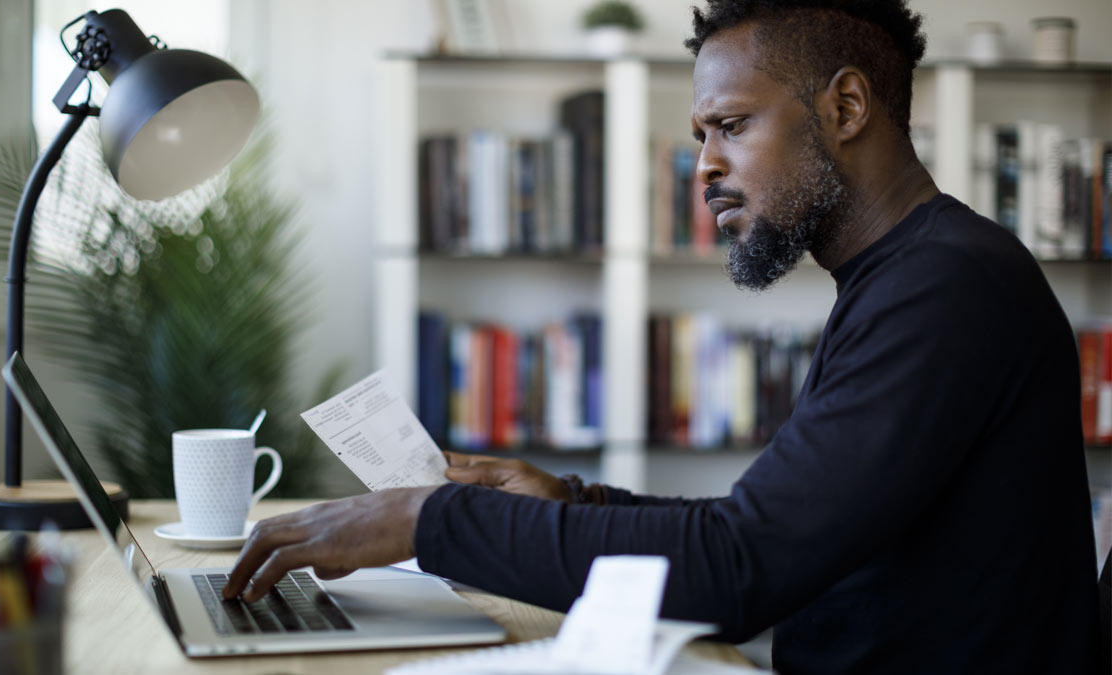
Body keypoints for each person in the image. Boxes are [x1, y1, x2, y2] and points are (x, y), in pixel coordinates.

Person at [223, 1, 1103, 671]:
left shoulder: (947, 287)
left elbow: (737, 565)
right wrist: (572, 503)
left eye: (732, 126)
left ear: (845, 106)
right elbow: (762, 531)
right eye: (699, 136)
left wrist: (428, 517)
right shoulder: (908, 278)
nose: (705, 165)